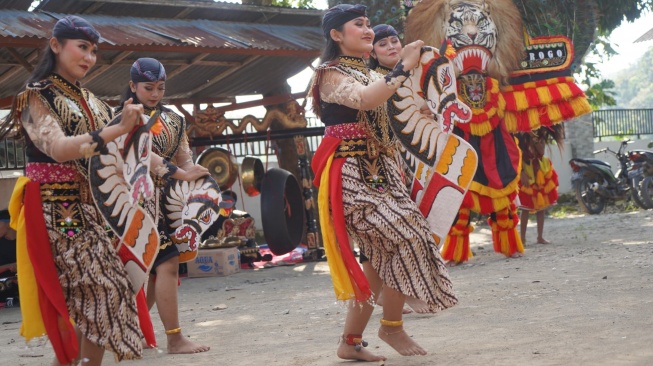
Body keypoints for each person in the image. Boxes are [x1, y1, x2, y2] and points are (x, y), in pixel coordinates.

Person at [2, 16, 206, 365]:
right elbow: (59, 148)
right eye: (82, 47)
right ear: (55, 46)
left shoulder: (91, 100)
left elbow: (131, 146)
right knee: (97, 291)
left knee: (101, 295)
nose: (89, 57)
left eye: (93, 50)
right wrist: (115, 131)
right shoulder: (33, 98)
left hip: (93, 206)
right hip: (56, 207)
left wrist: (176, 172)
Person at [310, 4, 457, 362]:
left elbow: (388, 107)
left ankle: (350, 342)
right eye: (358, 25)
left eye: (366, 23)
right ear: (336, 35)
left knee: (377, 262)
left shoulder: (367, 71)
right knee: (409, 235)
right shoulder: (330, 74)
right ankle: (391, 326)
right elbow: (364, 100)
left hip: (384, 173)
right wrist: (404, 67)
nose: (367, 29)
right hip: (351, 175)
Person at [117, 58, 210, 354]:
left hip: (168, 202)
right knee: (150, 266)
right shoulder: (124, 117)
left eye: (160, 87)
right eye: (148, 88)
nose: (155, 93)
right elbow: (145, 156)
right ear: (133, 86)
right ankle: (172, 338)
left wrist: (194, 176)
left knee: (160, 268)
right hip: (134, 200)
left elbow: (183, 156)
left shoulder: (174, 119)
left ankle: (141, 331)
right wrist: (181, 174)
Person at [518, 126, 563, 245]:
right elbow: (517, 154)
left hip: (540, 171)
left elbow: (541, 151)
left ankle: (540, 237)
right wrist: (521, 172)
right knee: (525, 207)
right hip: (525, 171)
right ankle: (522, 239)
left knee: (541, 208)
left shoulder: (541, 134)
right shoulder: (519, 135)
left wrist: (535, 138)